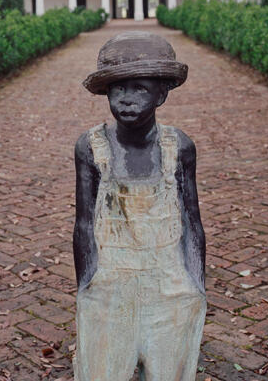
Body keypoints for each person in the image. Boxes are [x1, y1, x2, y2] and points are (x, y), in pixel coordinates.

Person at [73, 31, 206, 381]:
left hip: (170, 281)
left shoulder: (178, 147)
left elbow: (193, 221)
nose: (127, 100)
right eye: (118, 89)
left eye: (141, 89)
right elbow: (84, 223)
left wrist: (196, 285)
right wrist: (87, 286)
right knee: (103, 370)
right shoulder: (92, 147)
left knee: (168, 370)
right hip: (110, 282)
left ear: (162, 94)